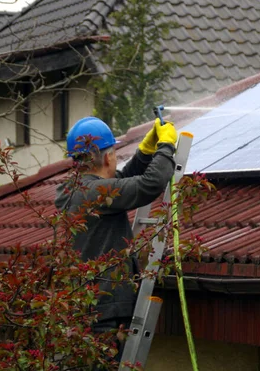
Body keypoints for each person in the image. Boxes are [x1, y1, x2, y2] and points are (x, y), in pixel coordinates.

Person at [54, 116, 178, 363]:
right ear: (108, 157)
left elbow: (118, 182)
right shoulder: (95, 193)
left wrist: (143, 153)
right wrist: (166, 147)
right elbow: (149, 184)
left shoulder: (76, 190)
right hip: (105, 312)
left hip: (92, 308)